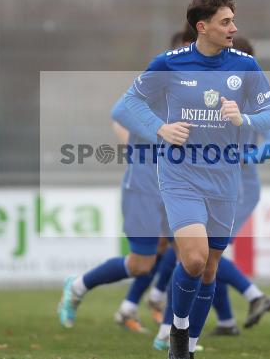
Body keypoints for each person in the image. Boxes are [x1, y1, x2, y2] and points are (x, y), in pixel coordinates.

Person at [124, 0, 270, 359]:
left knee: (210, 270)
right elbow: (129, 105)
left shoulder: (244, 66)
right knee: (192, 259)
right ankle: (178, 327)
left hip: (225, 179)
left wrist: (243, 119)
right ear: (203, 27)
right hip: (180, 175)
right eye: (226, 22)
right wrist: (160, 127)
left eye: (233, 20)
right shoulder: (170, 63)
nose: (234, 28)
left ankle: (190, 348)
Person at [56, 29, 190, 334]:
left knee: (189, 255)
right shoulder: (158, 83)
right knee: (141, 264)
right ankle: (77, 287)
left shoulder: (203, 90)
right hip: (143, 187)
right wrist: (158, 131)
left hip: (180, 188)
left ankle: (170, 332)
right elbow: (120, 112)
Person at [152, 35, 270, 349]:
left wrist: (246, 157)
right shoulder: (206, 95)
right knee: (198, 256)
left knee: (203, 256)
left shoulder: (251, 98)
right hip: (198, 179)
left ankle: (173, 326)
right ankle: (224, 320)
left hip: (239, 185)